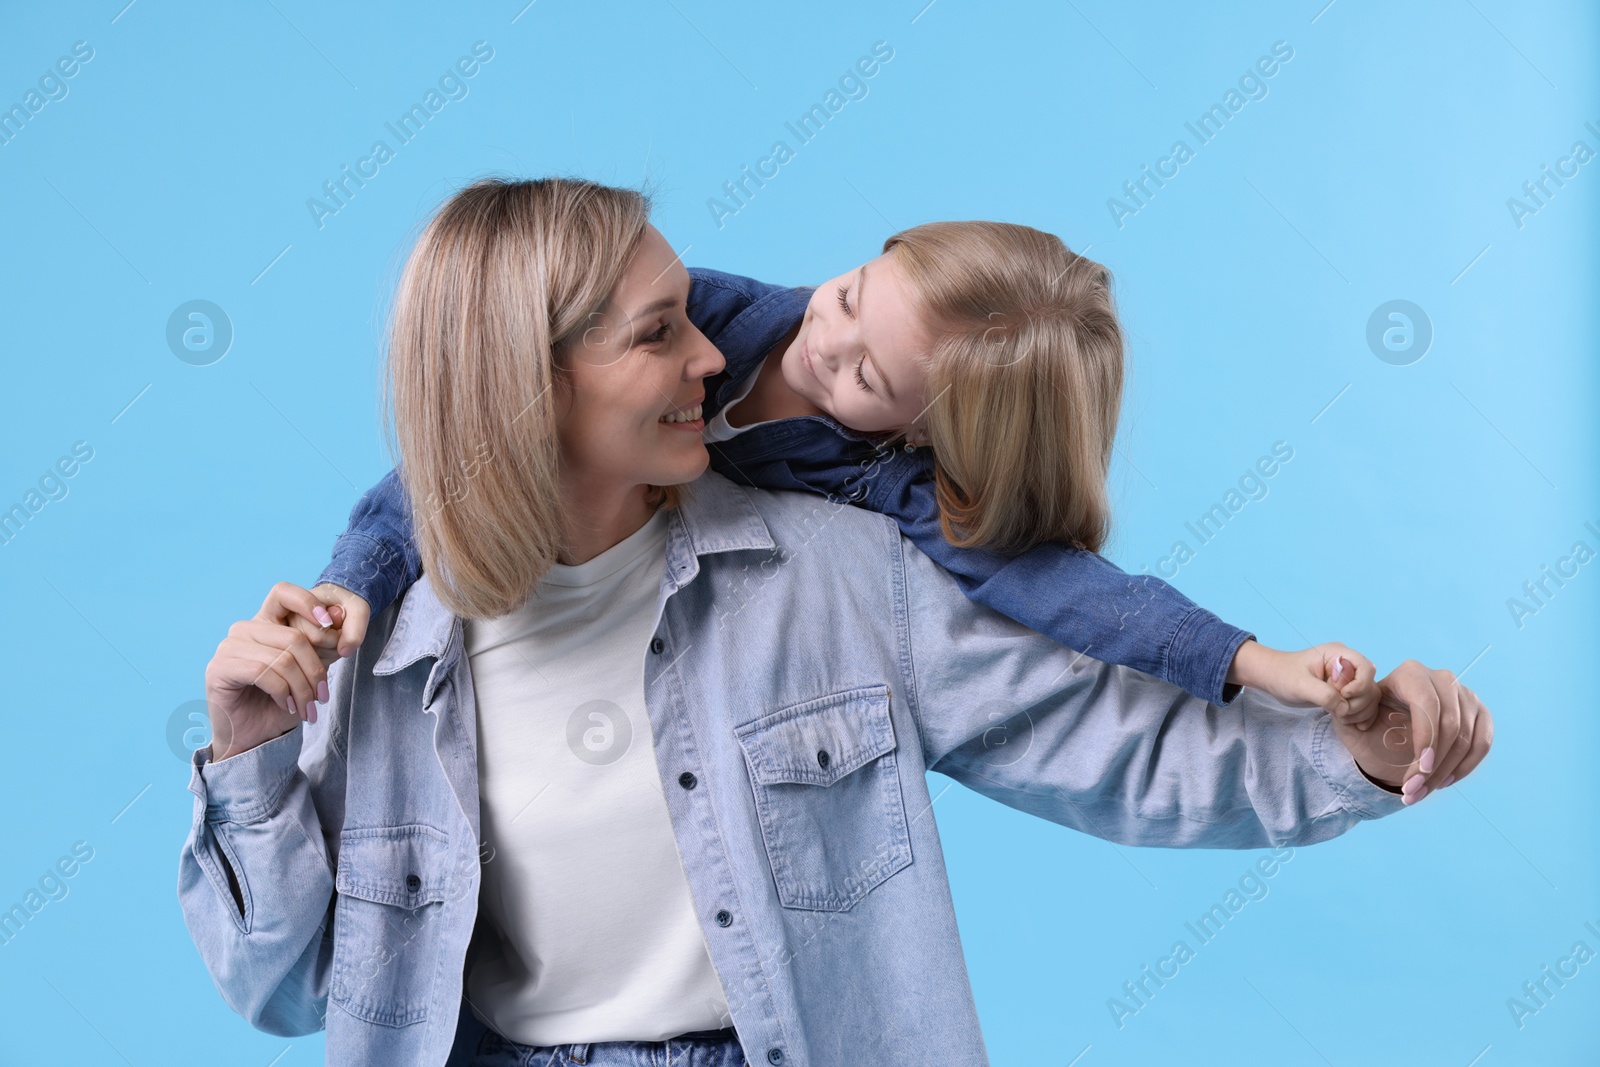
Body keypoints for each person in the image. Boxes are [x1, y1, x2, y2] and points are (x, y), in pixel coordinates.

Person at [179, 178, 1491, 1067]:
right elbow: (288, 988)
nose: (719, 351)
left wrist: (1359, 749)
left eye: (691, 309)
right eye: (658, 332)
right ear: (535, 382)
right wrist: (247, 755)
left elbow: (1126, 746)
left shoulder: (842, 572)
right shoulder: (380, 648)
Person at [302, 220, 1385, 736]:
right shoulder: (705, 309)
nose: (828, 345)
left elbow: (1068, 591)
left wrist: (1252, 661)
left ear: (924, 434)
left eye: (870, 375)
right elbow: (467, 439)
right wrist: (359, 575)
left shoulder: (881, 487)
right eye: (850, 294)